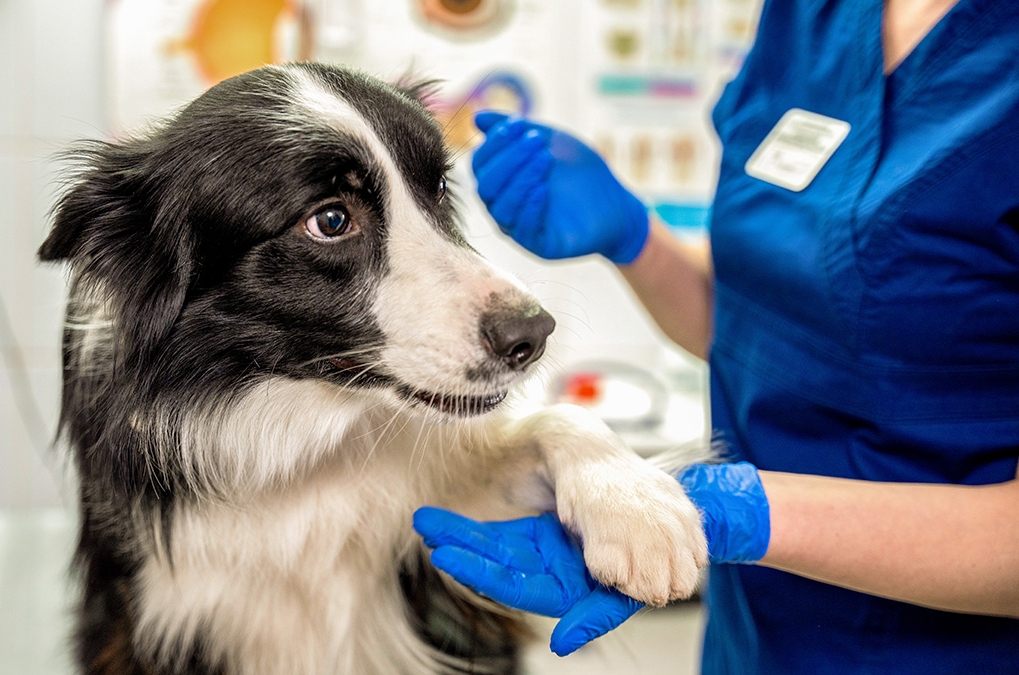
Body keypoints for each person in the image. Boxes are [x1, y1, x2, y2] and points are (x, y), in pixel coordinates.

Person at [412, 0, 1019, 672]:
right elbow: (764, 333)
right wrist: (637, 239)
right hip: (751, 635)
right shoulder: (808, 17)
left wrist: (737, 513)